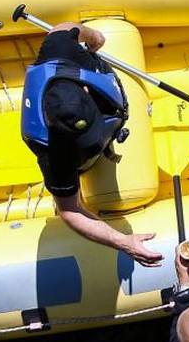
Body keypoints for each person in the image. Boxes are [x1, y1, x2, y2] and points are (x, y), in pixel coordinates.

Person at [21, 21, 162, 266]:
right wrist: (123, 242)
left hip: (87, 82)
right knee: (84, 163)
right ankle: (93, 151)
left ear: (84, 88)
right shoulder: (54, 155)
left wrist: (94, 37)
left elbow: (64, 27)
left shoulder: (59, 50)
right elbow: (70, 212)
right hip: (80, 155)